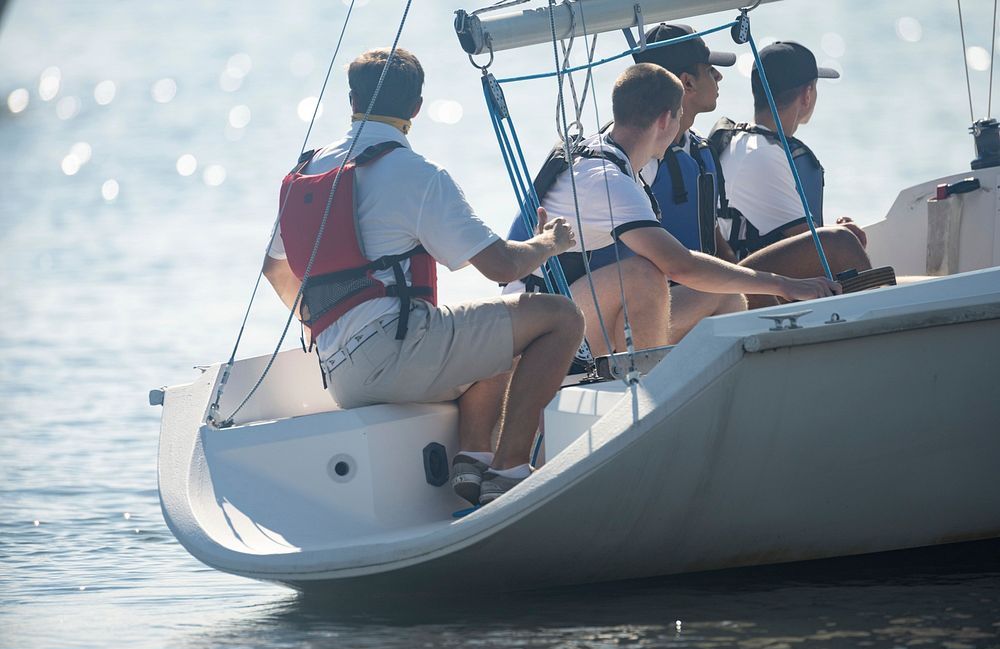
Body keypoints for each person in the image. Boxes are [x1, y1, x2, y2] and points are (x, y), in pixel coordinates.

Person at [262, 48, 584, 506]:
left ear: (351, 99)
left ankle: (472, 460)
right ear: (416, 107)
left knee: (490, 332)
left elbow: (276, 270)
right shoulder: (417, 173)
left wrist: (326, 322)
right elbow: (503, 267)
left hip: (337, 373)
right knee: (560, 317)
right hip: (396, 356)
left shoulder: (308, 170)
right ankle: (510, 470)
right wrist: (551, 242)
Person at [501, 63, 841, 373]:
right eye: (680, 116)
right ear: (666, 120)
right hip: (539, 331)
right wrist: (784, 284)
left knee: (726, 297)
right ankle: (649, 399)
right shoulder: (607, 180)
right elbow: (681, 265)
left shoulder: (616, 157)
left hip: (569, 313)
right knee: (644, 276)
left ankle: (710, 401)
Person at [637, 26, 871, 311]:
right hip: (670, 300)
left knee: (829, 249)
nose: (719, 76)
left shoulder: (695, 149)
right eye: (710, 69)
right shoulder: (639, 160)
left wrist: (746, 282)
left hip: (706, 286)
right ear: (687, 83)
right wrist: (764, 285)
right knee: (838, 244)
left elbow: (714, 240)